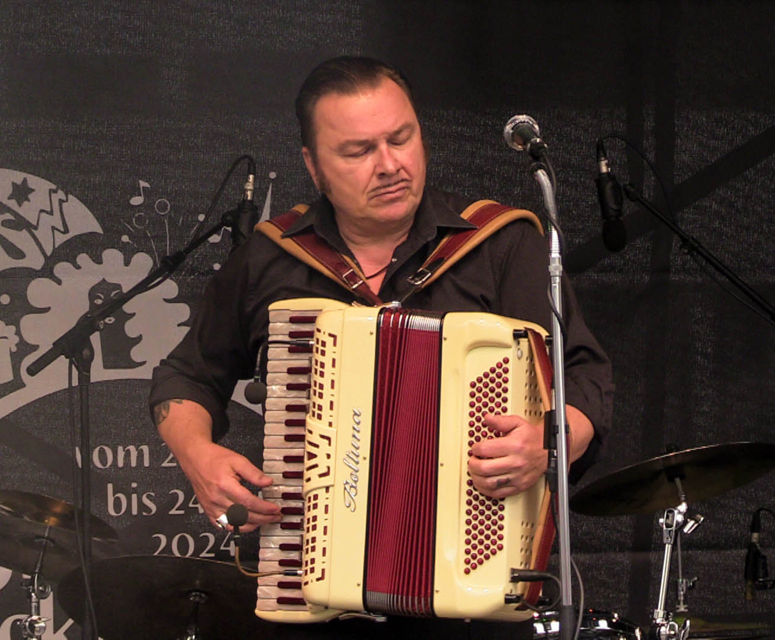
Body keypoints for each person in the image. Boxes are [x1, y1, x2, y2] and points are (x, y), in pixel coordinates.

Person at [150, 56, 613, 639]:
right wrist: (199, 455)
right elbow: (186, 376)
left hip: (471, 595)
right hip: (313, 605)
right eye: (359, 151)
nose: (391, 165)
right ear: (314, 167)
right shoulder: (270, 256)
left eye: (402, 138)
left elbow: (586, 375)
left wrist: (549, 440)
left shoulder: (501, 244)